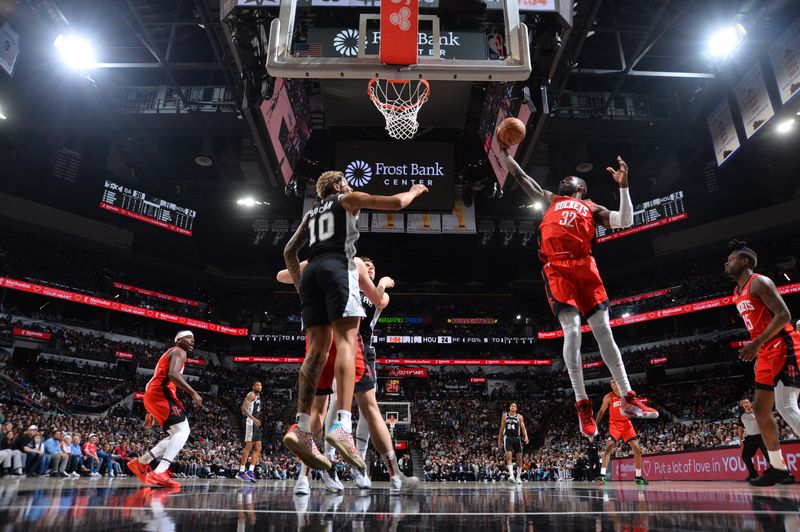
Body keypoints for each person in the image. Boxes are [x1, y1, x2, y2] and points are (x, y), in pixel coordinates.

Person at [499, 146, 657, 438]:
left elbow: (626, 220)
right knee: (573, 332)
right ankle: (582, 403)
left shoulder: (592, 208)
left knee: (604, 331)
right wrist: (503, 152)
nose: (562, 181)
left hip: (585, 267)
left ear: (580, 188)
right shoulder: (551, 200)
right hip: (557, 268)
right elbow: (521, 177)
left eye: (567, 179)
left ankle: (628, 397)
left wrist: (624, 187)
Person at [282, 170, 427, 471]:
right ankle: (342, 426)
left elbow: (288, 252)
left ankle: (300, 426)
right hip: (337, 267)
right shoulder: (346, 199)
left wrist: (301, 287)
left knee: (316, 351)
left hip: (311, 275)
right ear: (337, 185)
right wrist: (413, 192)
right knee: (347, 341)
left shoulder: (311, 214)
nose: (350, 186)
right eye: (346, 182)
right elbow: (395, 203)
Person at [279, 256, 419, 494]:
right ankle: (324, 467)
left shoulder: (330, 266)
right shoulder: (352, 267)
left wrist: (305, 269)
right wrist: (383, 282)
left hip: (327, 339)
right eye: (368, 265)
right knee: (347, 409)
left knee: (337, 409)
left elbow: (284, 274)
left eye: (373, 266)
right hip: (349, 342)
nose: (370, 267)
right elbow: (380, 298)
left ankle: (332, 468)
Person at [726, 240, 800, 486]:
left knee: (786, 406)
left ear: (745, 261)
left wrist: (756, 344)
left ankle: (779, 467)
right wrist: (759, 351)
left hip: (784, 345)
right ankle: (778, 467)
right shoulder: (737, 293)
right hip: (765, 352)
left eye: (732, 259)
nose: (727, 263)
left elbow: (784, 315)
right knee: (760, 409)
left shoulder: (759, 282)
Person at [128, 330, 203, 488]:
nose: (192, 341)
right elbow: (174, 375)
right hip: (161, 395)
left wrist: (149, 409)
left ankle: (141, 462)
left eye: (193, 339)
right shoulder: (179, 351)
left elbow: (150, 383)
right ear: (178, 340)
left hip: (153, 395)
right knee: (183, 431)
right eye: (188, 337)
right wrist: (193, 393)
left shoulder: (171, 353)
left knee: (176, 435)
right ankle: (160, 471)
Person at [595, 378, 648, 485]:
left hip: (627, 424)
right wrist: (595, 425)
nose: (613, 384)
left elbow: (636, 405)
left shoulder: (626, 394)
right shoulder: (608, 397)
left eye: (615, 382)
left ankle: (638, 476)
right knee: (608, 447)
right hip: (615, 425)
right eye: (611, 383)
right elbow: (601, 411)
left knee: (637, 449)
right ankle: (602, 475)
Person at [738, 398, 770, 482]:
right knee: (745, 456)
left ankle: (777, 473)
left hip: (761, 436)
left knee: (768, 455)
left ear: (750, 403)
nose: (745, 404)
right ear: (742, 405)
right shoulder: (741, 415)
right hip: (750, 438)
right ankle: (753, 473)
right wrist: (740, 440)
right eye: (743, 403)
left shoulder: (757, 412)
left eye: (747, 402)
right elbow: (740, 428)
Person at [497, 402, 528, 484]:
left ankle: (518, 477)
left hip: (517, 438)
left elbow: (523, 427)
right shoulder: (505, 416)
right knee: (509, 456)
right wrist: (499, 439)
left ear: (516, 409)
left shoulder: (519, 417)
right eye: (512, 406)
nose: (513, 407)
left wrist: (526, 436)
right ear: (509, 407)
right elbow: (502, 427)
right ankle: (511, 476)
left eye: (515, 406)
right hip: (507, 437)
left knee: (519, 457)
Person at [238, 381, 263, 482]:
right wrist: (254, 419)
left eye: (260, 385)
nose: (259, 387)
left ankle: (250, 471)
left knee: (258, 447)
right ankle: (241, 471)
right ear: (253, 386)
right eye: (257, 385)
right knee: (248, 446)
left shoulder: (258, 396)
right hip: (250, 422)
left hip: (254, 423)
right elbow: (243, 408)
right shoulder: (251, 394)